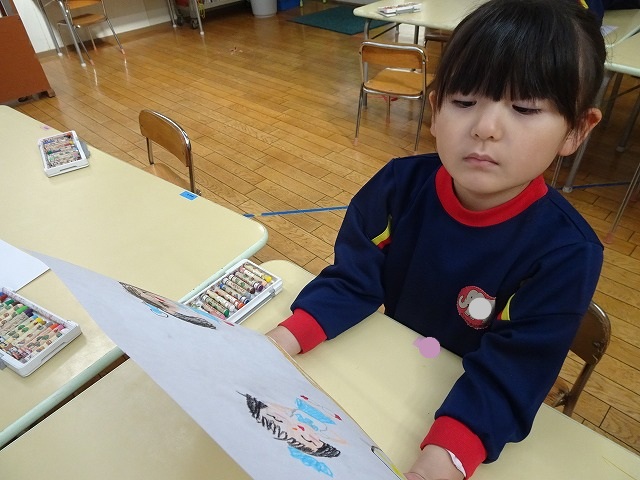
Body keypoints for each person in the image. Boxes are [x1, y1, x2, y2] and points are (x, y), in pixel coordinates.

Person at [267, 0, 606, 478]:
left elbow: (514, 372)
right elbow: (353, 279)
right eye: (464, 102)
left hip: (465, 410)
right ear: (435, 109)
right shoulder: (397, 187)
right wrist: (278, 342)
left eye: (525, 108)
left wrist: (441, 460)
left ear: (576, 131)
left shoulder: (566, 252)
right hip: (392, 369)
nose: (485, 128)